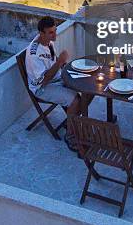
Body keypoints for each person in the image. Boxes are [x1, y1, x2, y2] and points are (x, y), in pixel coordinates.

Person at [25, 16, 89, 151]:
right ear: (41, 33)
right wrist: (60, 62)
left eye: (55, 31)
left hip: (56, 79)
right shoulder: (34, 53)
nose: (54, 35)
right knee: (75, 101)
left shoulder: (48, 42)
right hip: (42, 88)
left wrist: (62, 64)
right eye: (50, 32)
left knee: (87, 89)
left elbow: (54, 64)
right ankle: (71, 136)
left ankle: (73, 121)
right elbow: (44, 80)